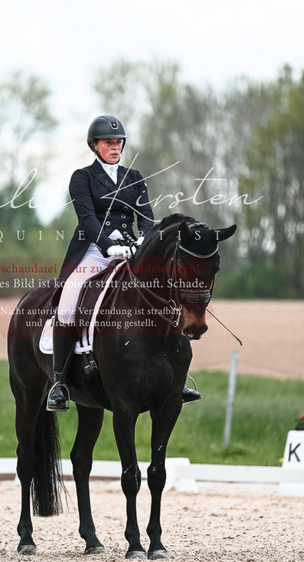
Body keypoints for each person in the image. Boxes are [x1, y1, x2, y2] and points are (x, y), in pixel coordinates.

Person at [47, 115, 201, 411]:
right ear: (95, 145)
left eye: (118, 142)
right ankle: (60, 383)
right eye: (108, 142)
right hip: (94, 250)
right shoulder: (82, 178)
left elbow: (146, 216)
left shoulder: (134, 177)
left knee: (166, 294)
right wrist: (109, 245)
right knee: (67, 303)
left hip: (132, 249)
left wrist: (143, 239)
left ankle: (176, 377)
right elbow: (87, 219)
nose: (115, 147)